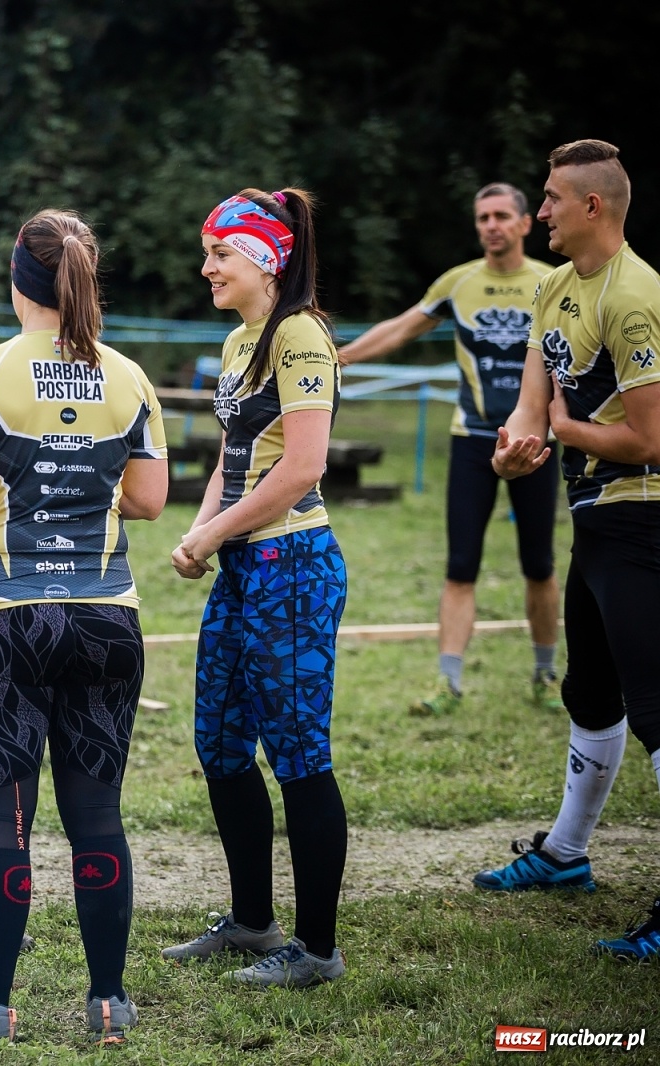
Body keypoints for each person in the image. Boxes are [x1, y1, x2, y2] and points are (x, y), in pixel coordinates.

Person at [0, 211, 167, 1041]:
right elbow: (152, 501)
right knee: (98, 817)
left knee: (4, 824)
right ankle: (107, 1004)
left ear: (18, 279)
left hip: (6, 618)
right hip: (106, 615)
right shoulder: (129, 377)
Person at [474, 140, 660, 960]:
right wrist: (514, 447)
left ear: (594, 207)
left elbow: (651, 439)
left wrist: (561, 432)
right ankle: (566, 855)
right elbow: (529, 401)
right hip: (593, 518)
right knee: (590, 691)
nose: (536, 213)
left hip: (645, 517)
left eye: (550, 199)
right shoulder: (553, 287)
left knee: (655, 710)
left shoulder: (636, 297)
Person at [165, 189, 349, 988]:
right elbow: (235, 452)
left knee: (299, 754)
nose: (206, 267)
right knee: (221, 745)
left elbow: (303, 465)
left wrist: (214, 532)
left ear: (266, 260)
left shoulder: (301, 334)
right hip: (245, 566)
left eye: (220, 254)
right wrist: (203, 529)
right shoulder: (243, 340)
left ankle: (316, 949)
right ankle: (250, 921)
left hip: (295, 566)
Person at [339, 184, 559, 715]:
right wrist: (337, 356)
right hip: (472, 442)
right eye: (484, 216)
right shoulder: (458, 283)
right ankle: (448, 682)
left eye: (503, 215)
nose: (492, 225)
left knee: (539, 564)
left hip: (535, 445)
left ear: (526, 223)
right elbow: (401, 329)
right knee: (461, 566)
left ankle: (546, 675)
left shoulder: (553, 284)